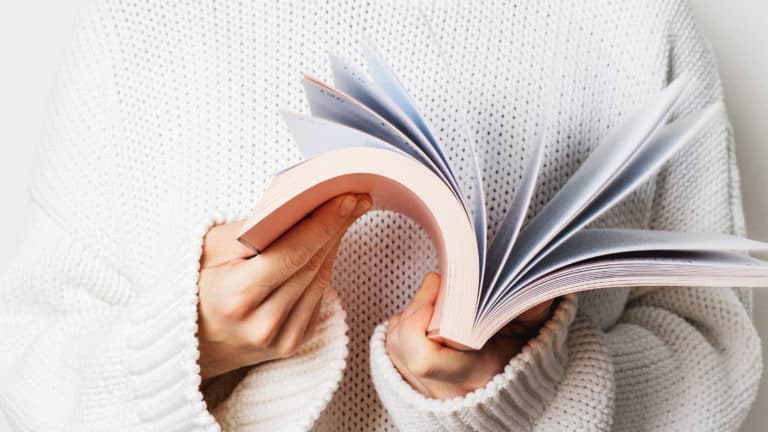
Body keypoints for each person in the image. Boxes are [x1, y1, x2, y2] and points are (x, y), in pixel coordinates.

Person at [0, 0, 761, 431]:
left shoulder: (631, 17)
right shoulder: (139, 23)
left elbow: (712, 349)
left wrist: (512, 391)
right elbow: (26, 371)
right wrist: (192, 346)